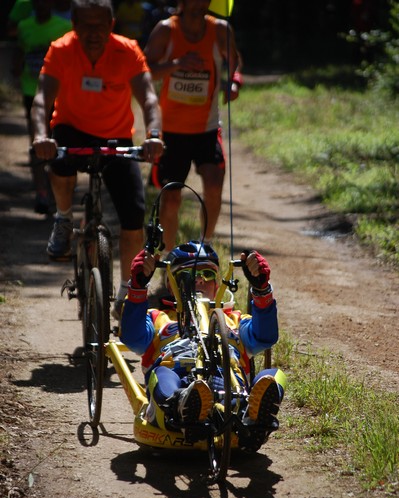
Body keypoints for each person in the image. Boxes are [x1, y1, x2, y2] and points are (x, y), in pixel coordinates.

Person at [31, 0, 164, 319]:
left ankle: (124, 295)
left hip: (115, 137)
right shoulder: (61, 50)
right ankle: (63, 218)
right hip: (70, 130)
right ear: (74, 23)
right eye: (86, 26)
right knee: (59, 162)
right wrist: (40, 137)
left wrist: (154, 135)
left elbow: (148, 98)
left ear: (112, 23)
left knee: (134, 214)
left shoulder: (127, 50)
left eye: (101, 25)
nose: (94, 33)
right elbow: (41, 100)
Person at [120, 241, 286, 451]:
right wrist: (137, 286)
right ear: (171, 284)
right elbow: (132, 337)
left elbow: (265, 336)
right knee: (162, 373)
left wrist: (261, 288)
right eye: (187, 275)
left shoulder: (233, 320)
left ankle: (253, 417)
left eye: (207, 274)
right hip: (177, 378)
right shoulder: (159, 318)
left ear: (217, 284)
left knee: (274, 375)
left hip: (230, 384)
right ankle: (182, 404)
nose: (199, 279)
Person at [143, 0, 242, 254]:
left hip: (207, 128)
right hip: (171, 132)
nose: (200, 3)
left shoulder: (220, 30)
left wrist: (234, 82)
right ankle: (167, 258)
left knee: (214, 183)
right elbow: (145, 70)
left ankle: (204, 248)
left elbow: (234, 62)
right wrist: (176, 65)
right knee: (171, 198)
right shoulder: (166, 30)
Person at [13, 0, 71, 214]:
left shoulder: (64, 27)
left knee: (57, 141)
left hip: (58, 93)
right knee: (37, 139)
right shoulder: (25, 26)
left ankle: (56, 191)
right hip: (31, 90)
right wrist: (17, 66)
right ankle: (41, 191)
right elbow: (20, 50)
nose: (42, 4)